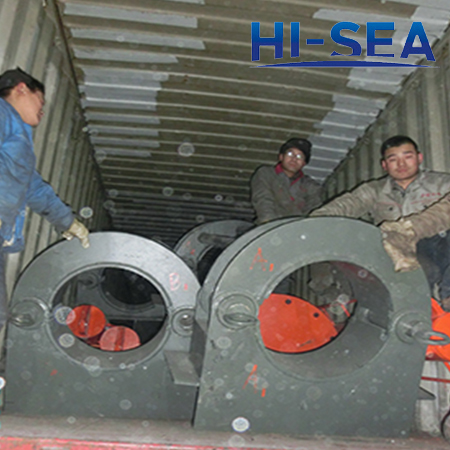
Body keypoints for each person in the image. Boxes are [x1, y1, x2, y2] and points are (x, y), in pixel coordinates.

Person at [311, 135, 450, 308]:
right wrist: (311, 224)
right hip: (396, 256)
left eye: (408, 157)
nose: (401, 164)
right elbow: (345, 205)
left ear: (419, 158)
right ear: (384, 165)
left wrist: (408, 229)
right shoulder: (374, 190)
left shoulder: (442, 183)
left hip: (438, 249)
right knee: (417, 277)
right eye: (393, 159)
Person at [0, 67, 90, 333]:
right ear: (21, 89)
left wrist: (68, 222)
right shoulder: (3, 114)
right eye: (41, 100)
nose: (43, 110)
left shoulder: (19, 140)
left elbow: (34, 189)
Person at [250, 137, 324, 224]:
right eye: (290, 154)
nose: (294, 159)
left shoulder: (311, 186)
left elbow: (313, 211)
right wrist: (269, 224)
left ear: (304, 163)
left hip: (296, 229)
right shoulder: (266, 174)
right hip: (269, 226)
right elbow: (263, 200)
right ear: (281, 157)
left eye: (299, 156)